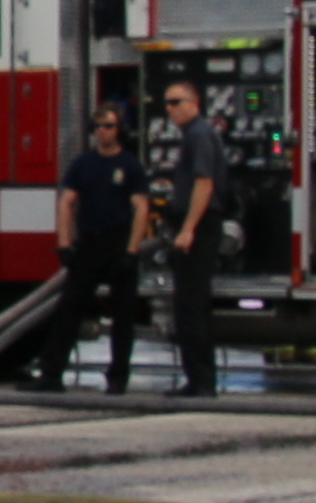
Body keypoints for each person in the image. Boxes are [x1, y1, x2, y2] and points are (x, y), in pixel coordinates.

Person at [34, 101, 146, 393]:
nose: (102, 132)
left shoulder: (130, 165)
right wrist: (64, 244)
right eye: (97, 126)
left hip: (118, 244)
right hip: (89, 244)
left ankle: (118, 379)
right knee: (68, 308)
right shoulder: (83, 164)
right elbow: (67, 202)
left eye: (108, 126)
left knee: (123, 317)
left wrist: (132, 252)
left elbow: (141, 209)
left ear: (120, 130)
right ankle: (50, 375)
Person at [153, 75, 232, 397]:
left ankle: (201, 383)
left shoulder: (199, 134)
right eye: (167, 103)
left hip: (199, 228)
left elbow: (204, 183)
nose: (170, 109)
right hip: (197, 225)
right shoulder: (196, 134)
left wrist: (187, 229)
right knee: (190, 306)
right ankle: (199, 380)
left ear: (194, 104)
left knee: (191, 307)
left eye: (176, 102)